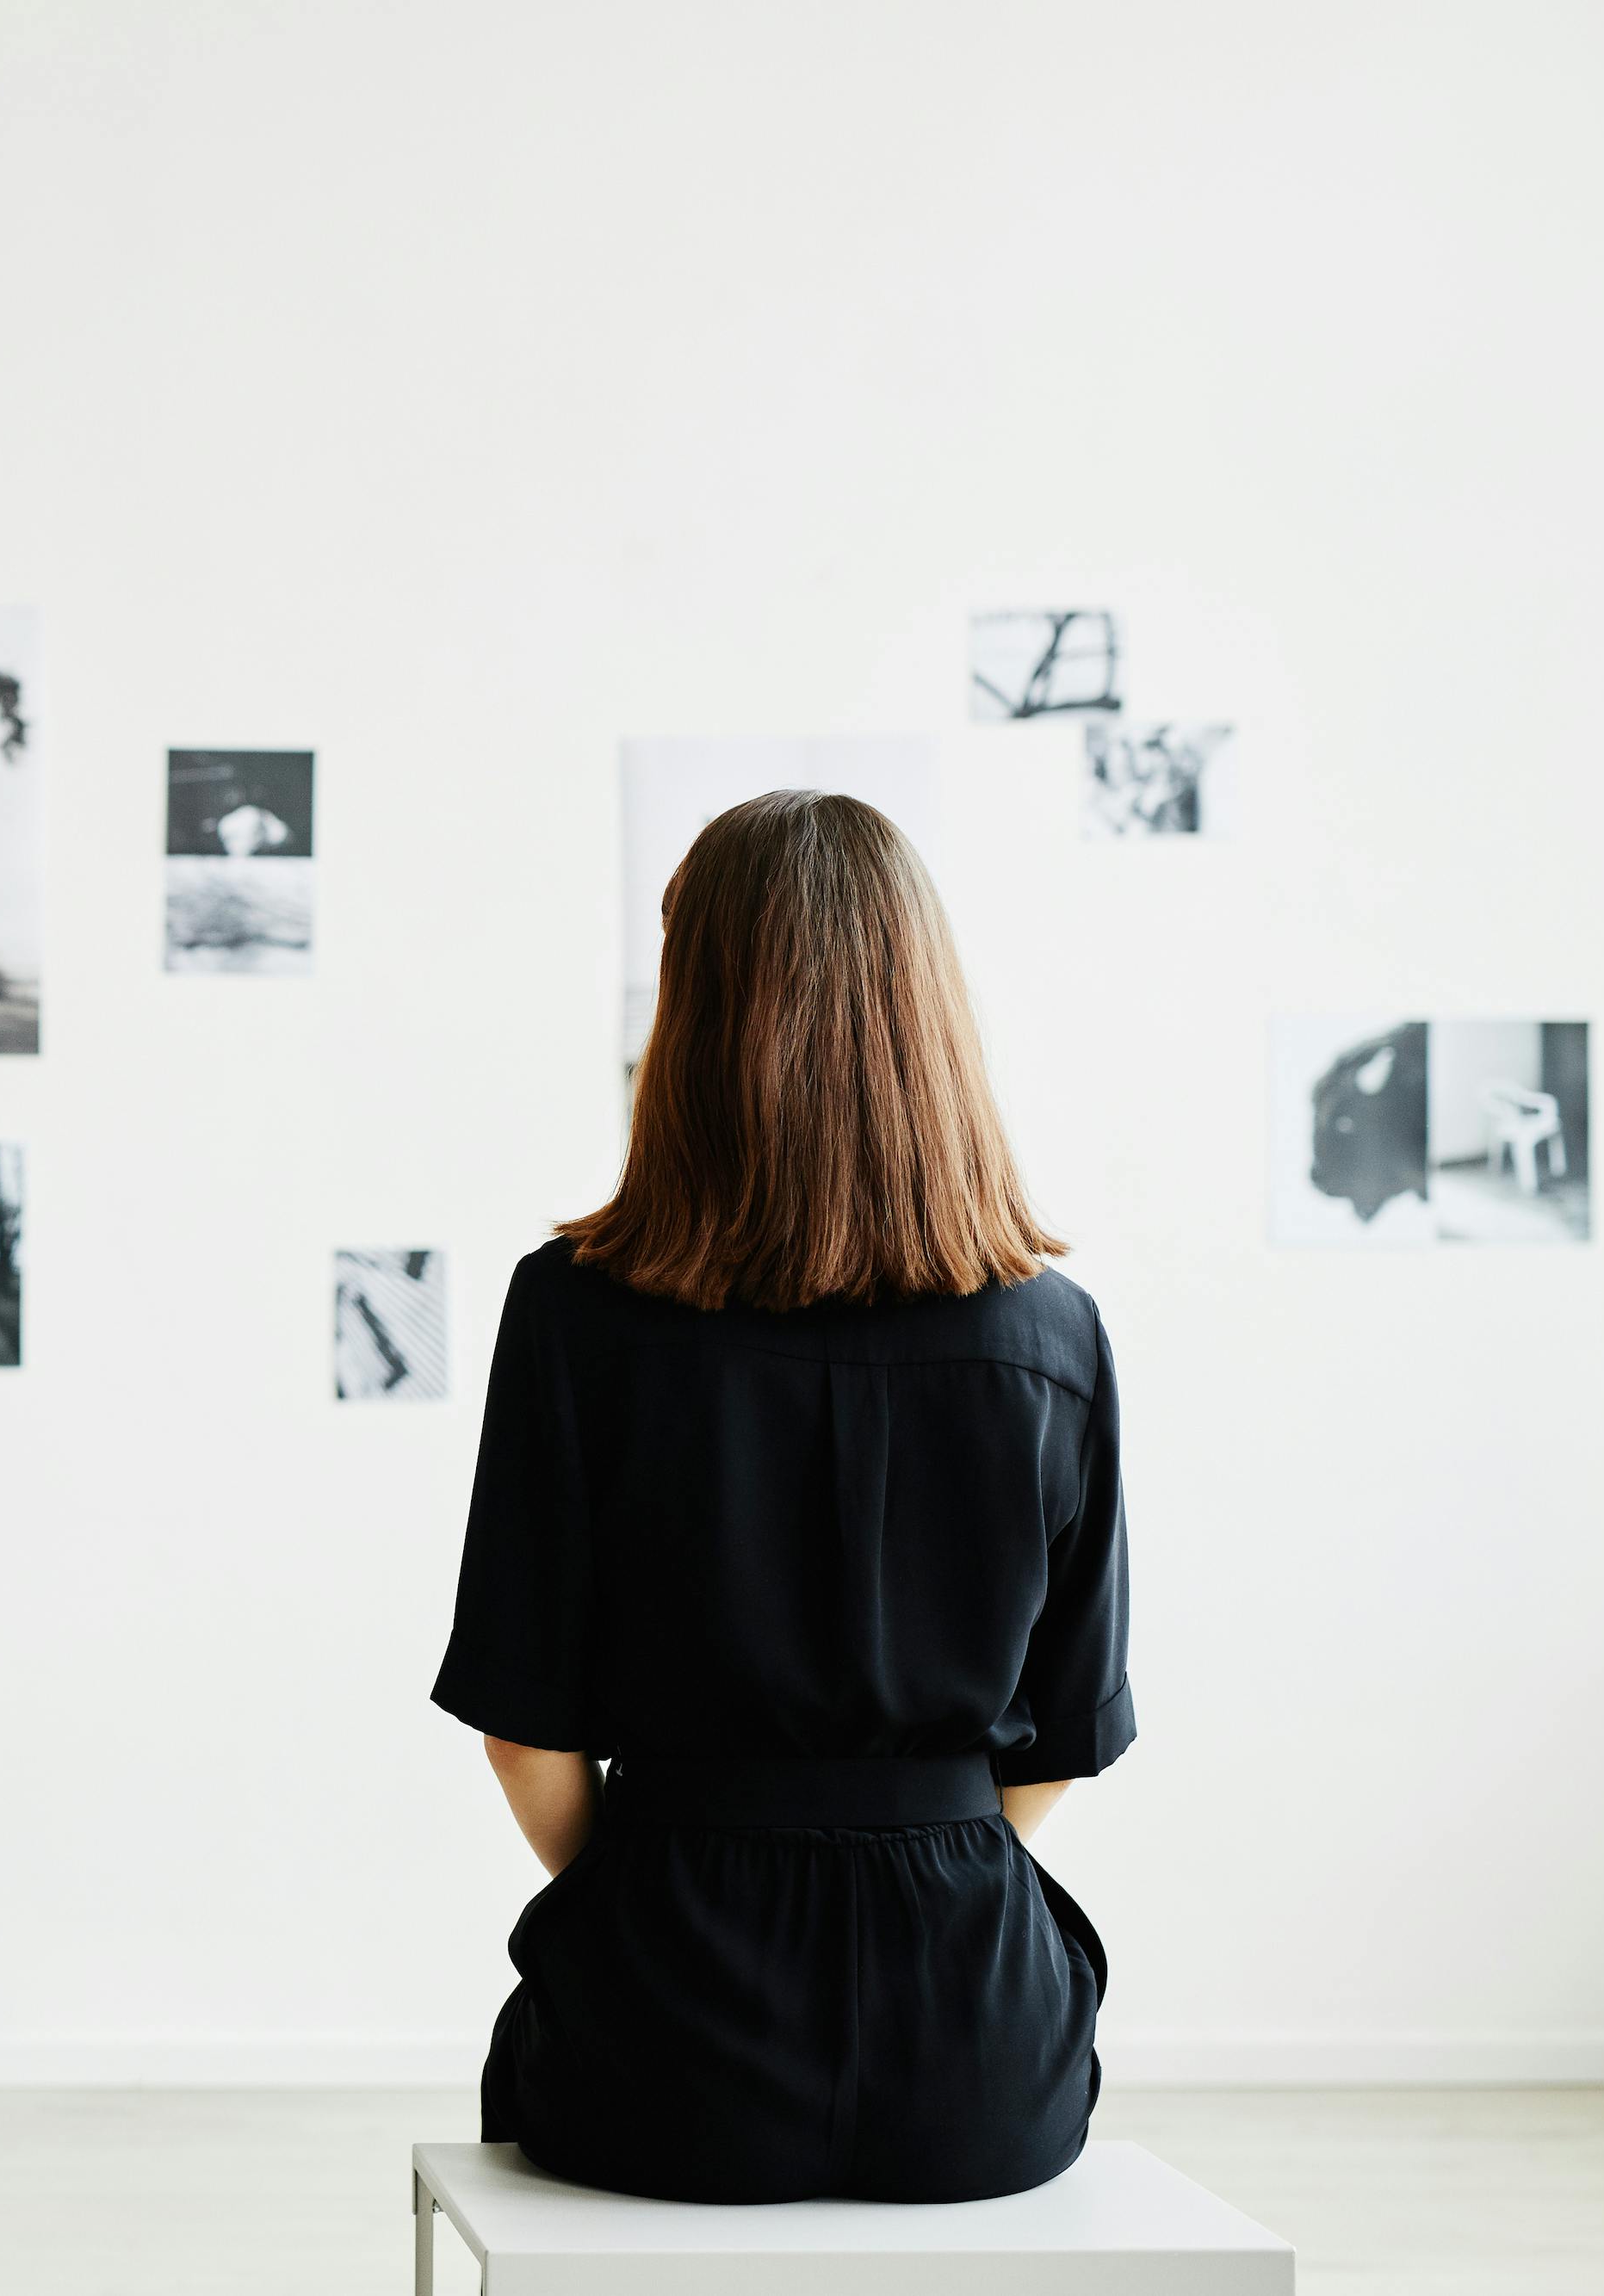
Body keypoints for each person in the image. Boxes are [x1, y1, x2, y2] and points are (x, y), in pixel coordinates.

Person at [434, 790, 1131, 2205]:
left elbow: (526, 1737)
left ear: (697, 1014)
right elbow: (1063, 1735)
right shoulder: (1055, 1336)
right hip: (980, 2060)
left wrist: (645, 1896)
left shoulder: (569, 1313)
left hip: (668, 2037)